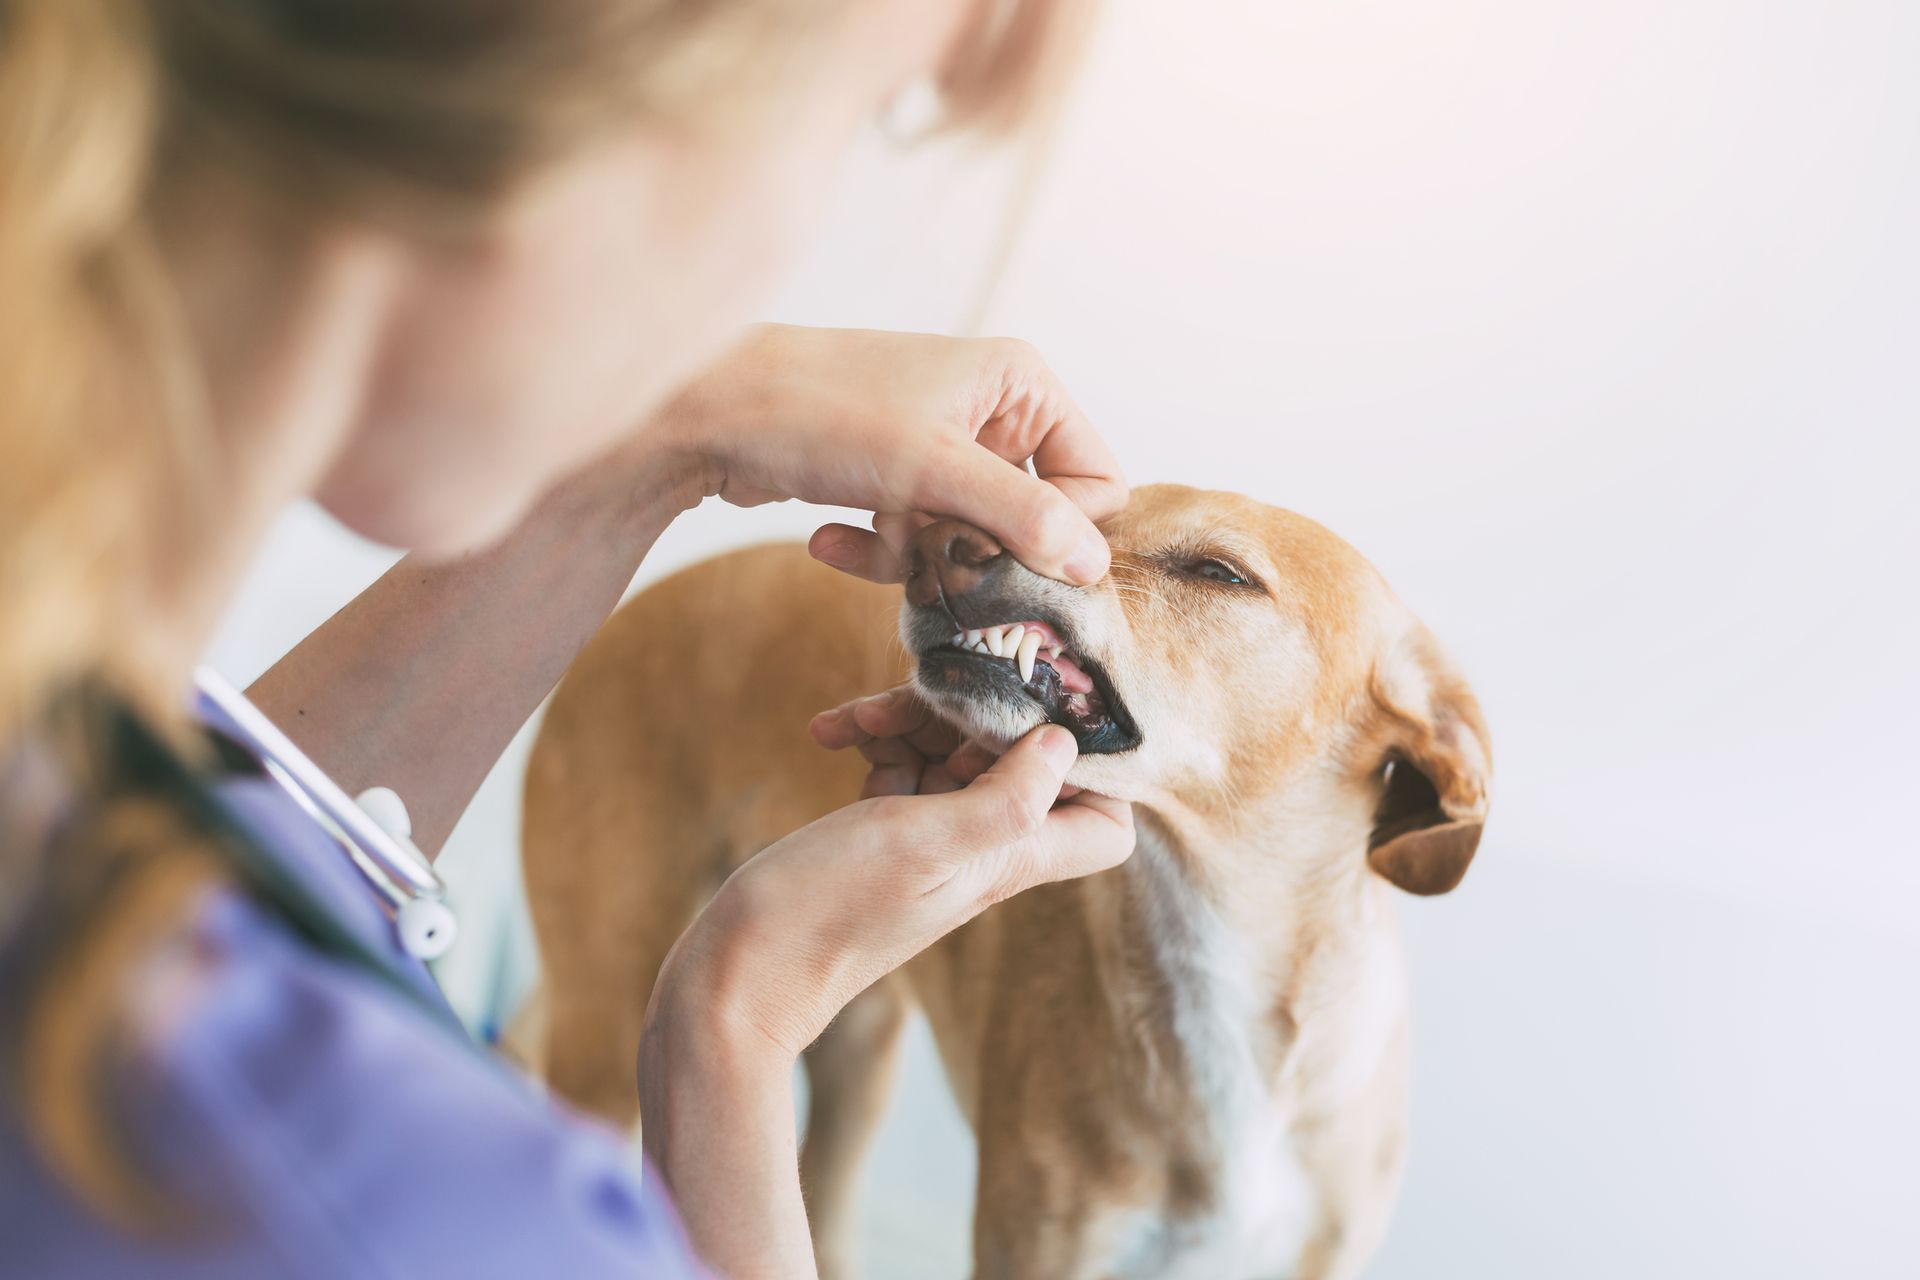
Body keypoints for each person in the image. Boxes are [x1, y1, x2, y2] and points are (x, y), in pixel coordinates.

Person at [0, 1, 1136, 1276]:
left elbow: (218, 878)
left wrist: (670, 431)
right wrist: (731, 1028)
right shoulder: (458, 1221)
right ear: (611, 108)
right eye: (867, 116)